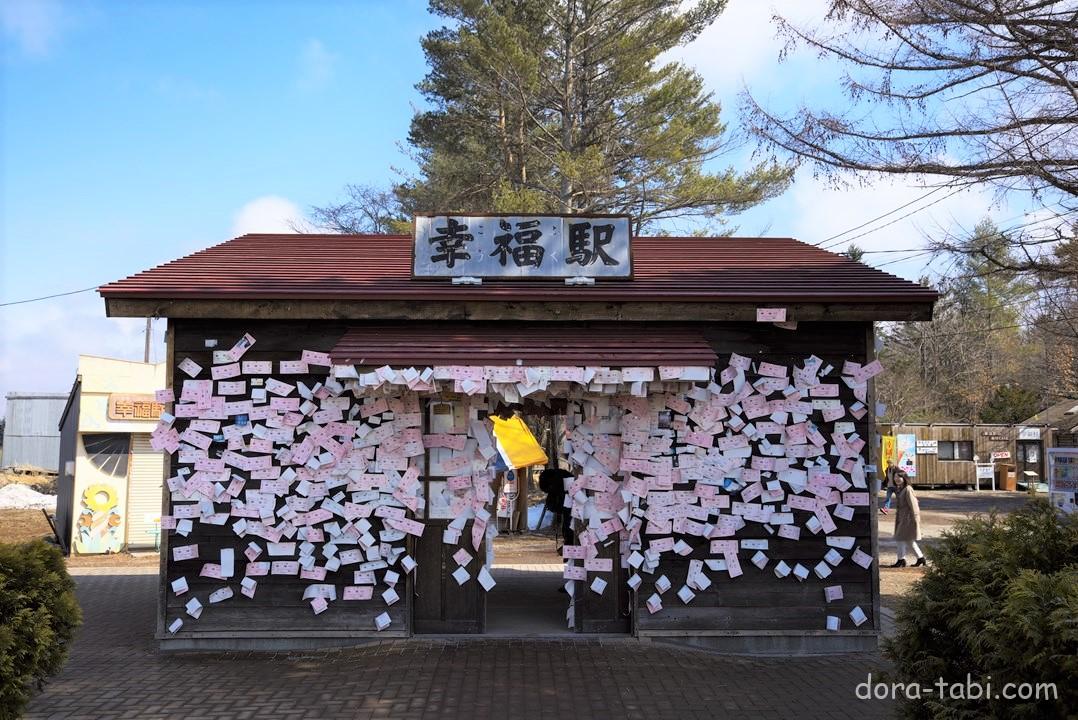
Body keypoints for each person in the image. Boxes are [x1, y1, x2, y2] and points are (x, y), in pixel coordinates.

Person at [890, 474, 926, 567]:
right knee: (908, 540)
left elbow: (914, 505)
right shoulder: (900, 489)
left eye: (899, 477)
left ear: (904, 478)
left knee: (900, 538)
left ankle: (901, 560)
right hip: (902, 517)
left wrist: (915, 518)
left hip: (908, 518)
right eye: (895, 477)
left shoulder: (908, 489)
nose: (897, 479)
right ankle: (920, 558)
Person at [538, 464, 574, 546]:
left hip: (568, 506)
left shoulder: (558, 481)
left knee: (568, 529)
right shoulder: (559, 478)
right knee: (568, 528)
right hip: (567, 506)